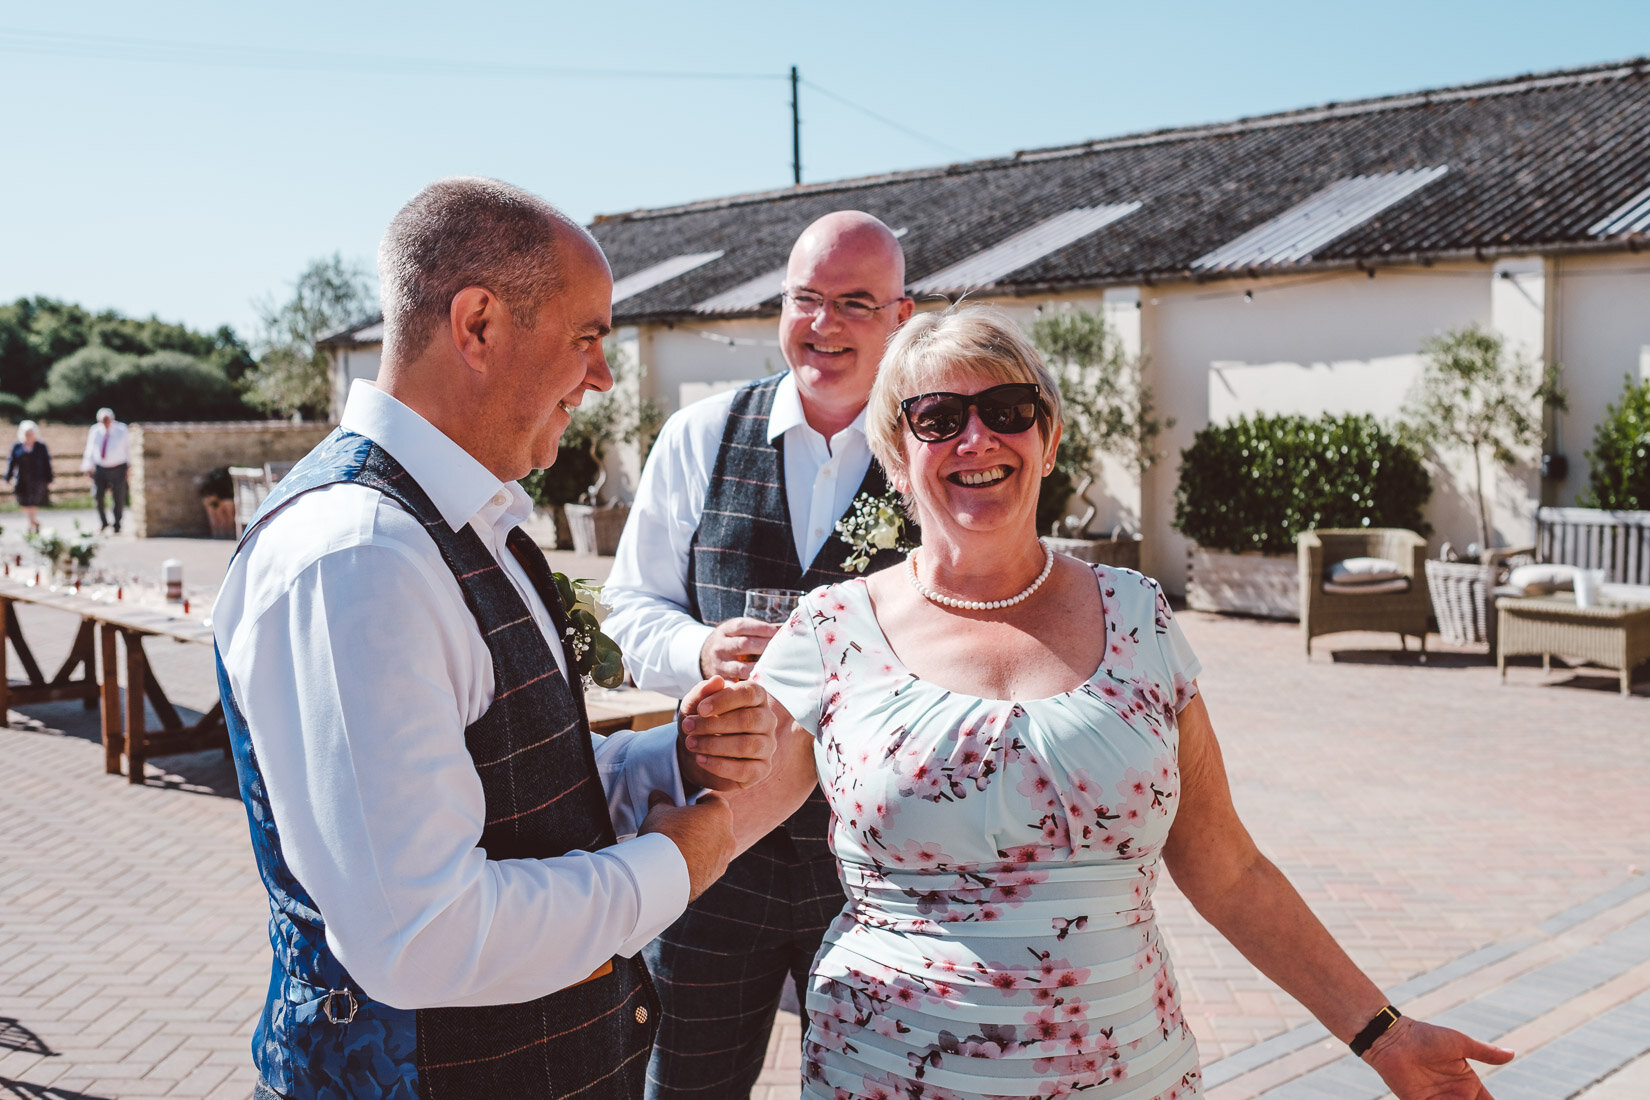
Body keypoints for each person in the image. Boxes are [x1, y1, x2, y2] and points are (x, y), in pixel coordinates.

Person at [740, 305, 1514, 1099]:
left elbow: (1229, 868)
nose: (978, 440)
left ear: (1050, 439)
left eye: (1007, 411)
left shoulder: (1137, 616)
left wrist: (1385, 1036)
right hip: (882, 1078)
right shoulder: (832, 630)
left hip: (1130, 1078)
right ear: (896, 454)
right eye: (938, 418)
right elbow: (716, 821)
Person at [213, 177, 779, 1100]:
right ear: (476, 325)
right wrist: (686, 856)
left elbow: (504, 783)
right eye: (588, 336)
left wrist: (662, 758)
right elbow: (422, 939)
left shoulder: (468, 519)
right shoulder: (358, 555)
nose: (602, 376)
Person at [603, 211, 915, 1098]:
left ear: (901, 315)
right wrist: (701, 648)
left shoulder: (929, 457)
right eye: (806, 299)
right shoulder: (699, 435)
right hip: (712, 848)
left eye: (855, 302)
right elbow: (629, 606)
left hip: (868, 861)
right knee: (683, 1087)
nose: (825, 325)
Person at [80, 406, 129, 533]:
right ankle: (103, 522)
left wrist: (129, 468)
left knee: (118, 496)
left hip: (118, 467)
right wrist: (87, 467)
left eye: (107, 420)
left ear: (112, 419)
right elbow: (90, 449)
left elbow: (128, 448)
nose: (105, 423)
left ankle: (117, 523)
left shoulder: (122, 430)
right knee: (97, 495)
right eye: (103, 420)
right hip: (101, 468)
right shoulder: (95, 431)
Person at [6, 420, 53, 532]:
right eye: (27, 434)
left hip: (37, 479)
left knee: (33, 502)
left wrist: (49, 477)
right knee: (23, 502)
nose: (29, 436)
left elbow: (47, 462)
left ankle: (31, 523)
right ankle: (34, 522)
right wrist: (8, 476)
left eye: (31, 434)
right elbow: (12, 462)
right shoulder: (17, 446)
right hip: (22, 478)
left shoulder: (41, 446)